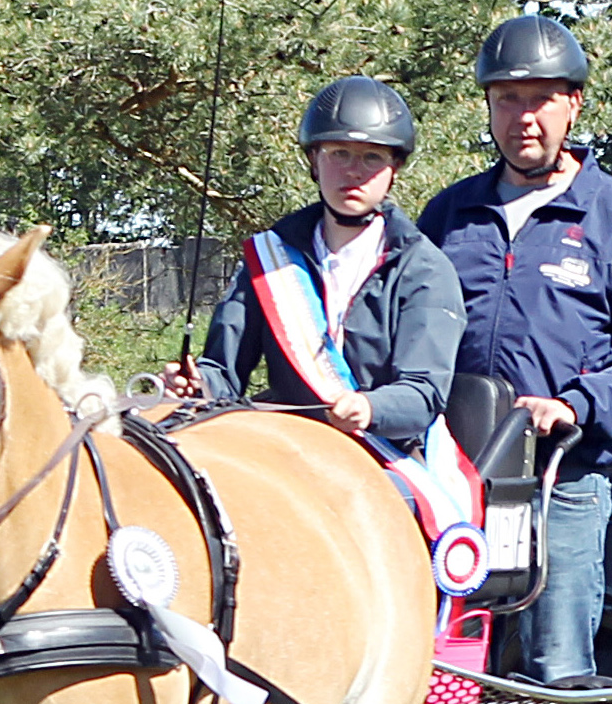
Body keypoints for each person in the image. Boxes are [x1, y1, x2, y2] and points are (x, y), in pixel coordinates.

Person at [415, 13, 612, 684]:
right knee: (441, 666)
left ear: (574, 105)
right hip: (452, 484)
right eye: (507, 98)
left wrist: (576, 404)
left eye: (540, 98)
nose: (523, 116)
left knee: (557, 668)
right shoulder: (448, 216)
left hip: (559, 482)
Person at [168, 76, 465, 456]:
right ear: (314, 160)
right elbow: (224, 372)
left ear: (395, 167)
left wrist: (370, 407)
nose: (353, 171)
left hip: (388, 452)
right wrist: (197, 383)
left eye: (371, 157)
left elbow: (423, 392)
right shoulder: (270, 258)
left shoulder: (424, 269)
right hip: (288, 446)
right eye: (338, 154)